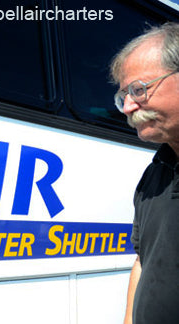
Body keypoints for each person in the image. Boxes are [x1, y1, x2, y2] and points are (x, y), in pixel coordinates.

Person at [110, 22, 179, 324]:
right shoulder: (153, 176)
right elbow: (143, 261)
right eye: (123, 94)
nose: (127, 107)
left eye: (139, 89)